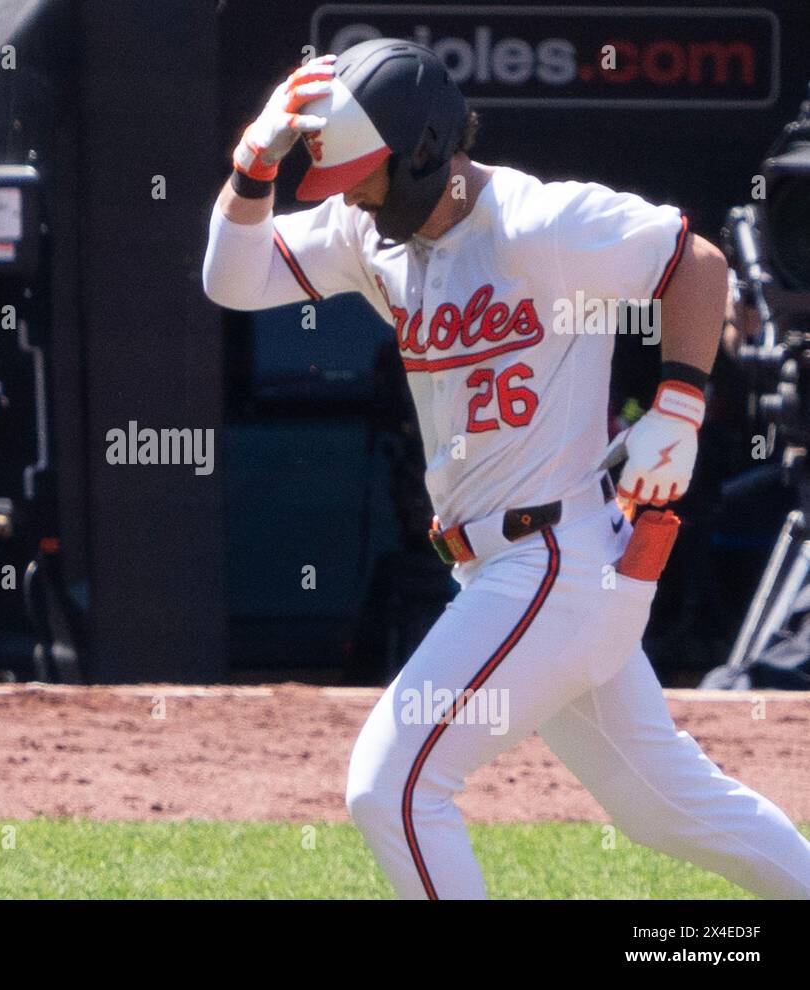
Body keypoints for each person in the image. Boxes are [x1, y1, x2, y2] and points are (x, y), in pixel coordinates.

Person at [203, 39, 810, 898]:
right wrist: (254, 163)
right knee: (666, 807)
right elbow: (232, 279)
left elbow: (695, 262)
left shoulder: (539, 220)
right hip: (517, 568)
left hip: (552, 559)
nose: (356, 199)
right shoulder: (369, 233)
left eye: (366, 176)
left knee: (393, 789)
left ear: (422, 151)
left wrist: (678, 405)